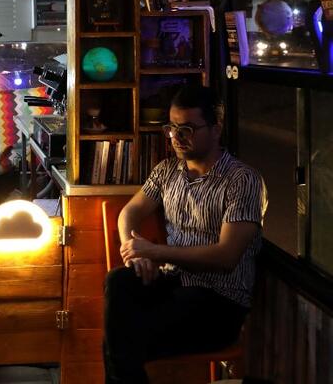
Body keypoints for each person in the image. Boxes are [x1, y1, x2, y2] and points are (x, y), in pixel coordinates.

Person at [103, 85, 267, 384]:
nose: (176, 138)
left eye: (188, 129)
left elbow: (226, 256)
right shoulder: (168, 171)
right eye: (172, 128)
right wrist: (135, 253)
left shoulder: (242, 181)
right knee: (119, 282)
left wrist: (155, 252)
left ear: (215, 130)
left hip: (219, 301)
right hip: (174, 282)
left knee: (121, 340)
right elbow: (129, 213)